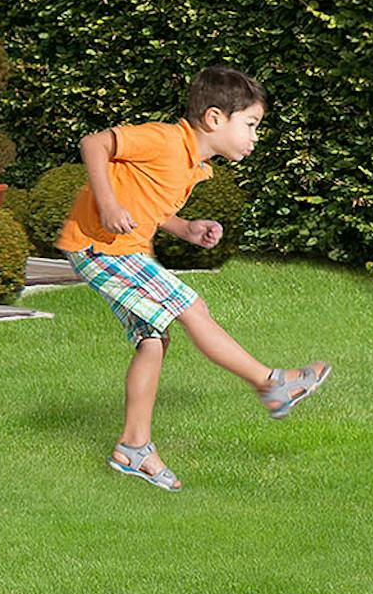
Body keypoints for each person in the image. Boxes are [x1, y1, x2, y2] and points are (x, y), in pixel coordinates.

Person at [58, 64, 330, 491]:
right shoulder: (165, 140)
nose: (256, 136)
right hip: (101, 246)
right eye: (252, 125)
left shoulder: (192, 164)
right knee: (191, 306)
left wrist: (184, 228)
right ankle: (271, 384)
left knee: (153, 340)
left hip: (113, 249)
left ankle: (134, 447)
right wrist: (107, 206)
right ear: (216, 119)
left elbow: (148, 200)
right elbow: (94, 143)